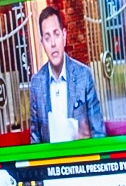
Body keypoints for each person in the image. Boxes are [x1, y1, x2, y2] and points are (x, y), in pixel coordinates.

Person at [26, 12, 112, 145]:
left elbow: (98, 133)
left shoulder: (84, 75)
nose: (53, 43)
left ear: (64, 36)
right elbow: (35, 140)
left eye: (56, 34)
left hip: (82, 156)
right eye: (47, 38)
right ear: (42, 42)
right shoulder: (37, 83)